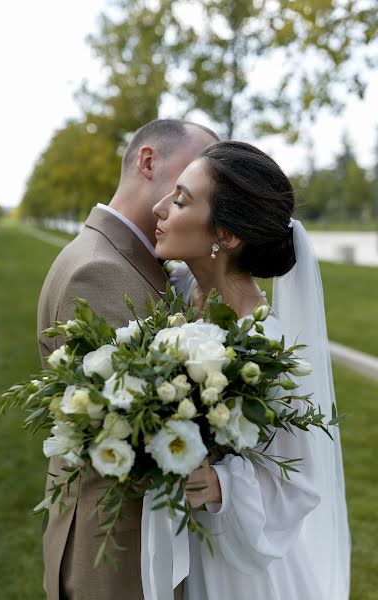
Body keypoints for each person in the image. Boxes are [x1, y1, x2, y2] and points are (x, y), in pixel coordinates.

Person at [151, 140, 351, 600]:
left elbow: (299, 486)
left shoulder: (269, 349)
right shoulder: (184, 305)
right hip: (189, 551)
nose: (160, 207)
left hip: (242, 574)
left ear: (227, 235)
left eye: (180, 199)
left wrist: (217, 483)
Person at [37, 118, 219, 600]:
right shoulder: (100, 271)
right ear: (147, 162)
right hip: (117, 555)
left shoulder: (131, 262)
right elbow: (148, 427)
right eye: (196, 173)